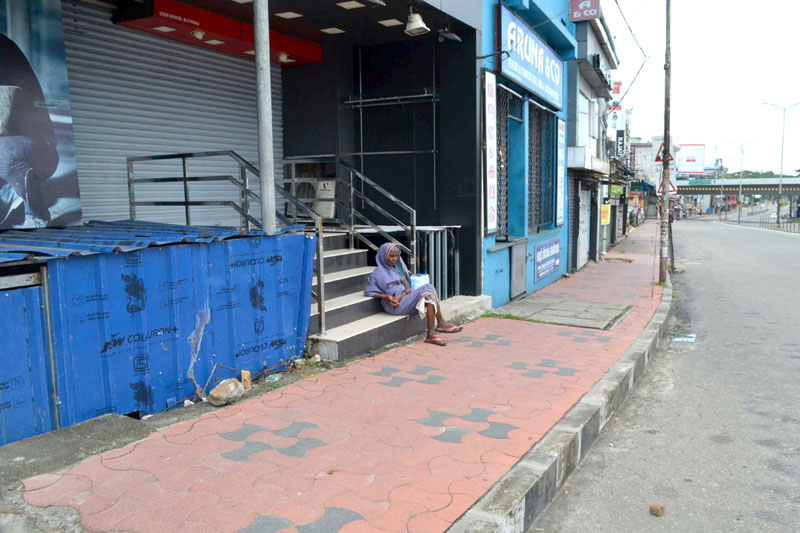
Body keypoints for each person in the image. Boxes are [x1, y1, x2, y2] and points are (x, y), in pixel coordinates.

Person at [364, 242, 462, 346]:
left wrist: (401, 295)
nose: (394, 259)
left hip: (404, 297)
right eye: (391, 256)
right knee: (428, 288)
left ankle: (431, 334)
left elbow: (407, 287)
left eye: (397, 256)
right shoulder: (377, 274)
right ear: (383, 256)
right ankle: (440, 324)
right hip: (394, 305)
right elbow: (370, 292)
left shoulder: (397, 268)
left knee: (429, 296)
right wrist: (389, 297)